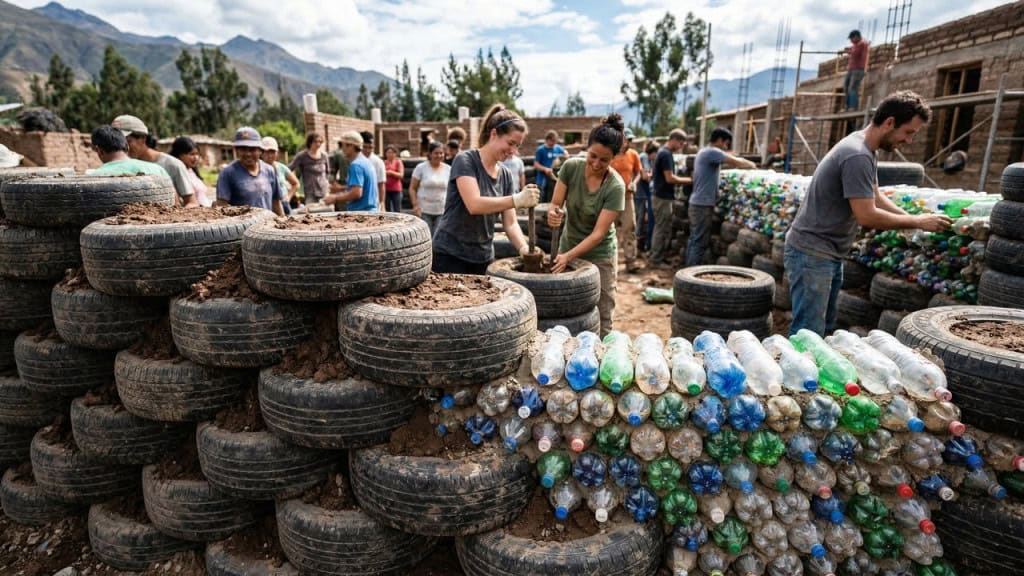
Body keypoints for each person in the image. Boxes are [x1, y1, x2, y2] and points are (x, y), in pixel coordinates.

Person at [785, 90, 951, 336]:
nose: (909, 141)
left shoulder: (865, 148)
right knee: (809, 332)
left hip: (825, 252)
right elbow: (867, 215)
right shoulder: (857, 155)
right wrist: (917, 221)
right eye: (908, 132)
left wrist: (914, 221)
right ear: (889, 123)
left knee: (823, 328)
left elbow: (875, 196)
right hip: (812, 253)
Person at [431, 104, 540, 274]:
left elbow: (510, 223)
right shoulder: (465, 160)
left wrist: (523, 248)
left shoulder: (505, 175)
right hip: (450, 255)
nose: (513, 151)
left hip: (483, 257)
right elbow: (474, 204)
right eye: (510, 143)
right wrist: (517, 199)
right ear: (494, 134)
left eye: (517, 146)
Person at [547, 115, 626, 337]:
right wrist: (553, 214)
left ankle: (602, 351)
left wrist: (567, 257)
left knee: (603, 311)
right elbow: (555, 203)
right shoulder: (571, 167)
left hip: (600, 255)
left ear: (613, 159)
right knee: (565, 306)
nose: (596, 164)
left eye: (604, 160)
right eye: (593, 156)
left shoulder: (615, 187)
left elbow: (598, 234)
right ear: (586, 148)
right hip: (568, 245)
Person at [686, 128, 758, 267]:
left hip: (697, 202)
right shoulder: (712, 152)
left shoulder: (703, 151)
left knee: (694, 239)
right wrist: (753, 166)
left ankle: (687, 269)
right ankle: (691, 273)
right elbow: (737, 162)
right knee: (699, 242)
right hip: (702, 205)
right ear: (719, 140)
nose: (726, 147)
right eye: (726, 143)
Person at [112, 114, 197, 207]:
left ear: (143, 138)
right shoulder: (120, 167)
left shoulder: (173, 165)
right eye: (119, 143)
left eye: (128, 141)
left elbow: (192, 202)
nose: (123, 147)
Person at [215, 126, 284, 216]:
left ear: (260, 151)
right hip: (241, 225)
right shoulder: (227, 173)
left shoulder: (269, 170)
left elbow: (276, 202)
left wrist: (283, 220)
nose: (248, 154)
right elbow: (221, 208)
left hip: (267, 223)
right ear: (237, 150)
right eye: (243, 149)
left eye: (252, 149)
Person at [649, 129, 692, 268]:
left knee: (661, 228)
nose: (681, 147)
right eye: (681, 143)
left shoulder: (663, 152)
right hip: (663, 198)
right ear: (674, 139)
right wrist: (690, 180)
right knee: (661, 229)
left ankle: (658, 257)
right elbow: (670, 178)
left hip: (660, 196)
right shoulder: (666, 154)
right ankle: (656, 260)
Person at [608, 127, 643, 272]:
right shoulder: (611, 154)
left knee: (630, 229)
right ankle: (610, 262)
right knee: (610, 230)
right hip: (611, 198)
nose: (628, 143)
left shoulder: (633, 154)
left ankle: (631, 262)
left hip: (628, 197)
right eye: (626, 140)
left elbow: (638, 172)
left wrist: (634, 182)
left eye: (630, 140)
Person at [321, 131, 378, 212]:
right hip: (369, 212)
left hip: (361, 213)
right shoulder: (365, 161)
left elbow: (356, 193)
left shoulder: (356, 165)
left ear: (351, 146)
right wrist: (341, 189)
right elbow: (360, 187)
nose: (341, 148)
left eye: (342, 145)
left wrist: (335, 198)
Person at [87, 125, 169, 177]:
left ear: (100, 151)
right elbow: (175, 199)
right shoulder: (158, 170)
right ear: (127, 147)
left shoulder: (94, 177)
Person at [409, 141, 450, 235]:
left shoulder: (448, 169)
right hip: (423, 210)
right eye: (436, 153)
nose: (439, 155)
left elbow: (451, 190)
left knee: (438, 238)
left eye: (441, 153)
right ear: (430, 154)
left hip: (442, 210)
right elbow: (412, 188)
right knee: (425, 236)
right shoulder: (421, 168)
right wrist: (415, 205)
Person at [289, 132, 335, 205]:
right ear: (310, 142)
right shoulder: (302, 156)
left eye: (320, 142)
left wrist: (328, 185)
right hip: (310, 192)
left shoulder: (324, 156)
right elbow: (289, 169)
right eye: (315, 142)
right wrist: (292, 182)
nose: (318, 144)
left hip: (324, 191)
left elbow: (327, 172)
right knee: (311, 210)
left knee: (327, 210)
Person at [168, 136, 213, 207]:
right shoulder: (177, 174)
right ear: (180, 155)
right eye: (192, 154)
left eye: (197, 154)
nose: (196, 157)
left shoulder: (192, 171)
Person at [260, 137, 300, 215]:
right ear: (261, 153)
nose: (270, 155)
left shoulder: (281, 167)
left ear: (277, 153)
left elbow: (296, 183)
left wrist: (288, 196)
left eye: (272, 152)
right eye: (267, 152)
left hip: (283, 203)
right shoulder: (257, 168)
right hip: (266, 205)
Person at [636, 140, 658, 252]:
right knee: (639, 219)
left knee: (643, 218)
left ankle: (641, 245)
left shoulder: (649, 159)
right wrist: (652, 175)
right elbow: (645, 176)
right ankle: (637, 247)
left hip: (645, 192)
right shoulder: (644, 157)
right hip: (640, 193)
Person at [534, 130, 568, 203]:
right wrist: (545, 169)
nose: (554, 143)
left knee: (552, 196)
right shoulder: (540, 150)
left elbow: (566, 154)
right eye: (552, 141)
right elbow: (536, 164)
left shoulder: (557, 148)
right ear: (547, 140)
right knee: (540, 197)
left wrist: (561, 158)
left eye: (555, 141)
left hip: (553, 177)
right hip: (542, 178)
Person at [843, 30, 870, 111]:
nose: (851, 41)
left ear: (856, 37)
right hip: (851, 70)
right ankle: (847, 107)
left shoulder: (862, 43)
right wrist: (848, 49)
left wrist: (849, 51)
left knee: (853, 88)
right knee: (846, 86)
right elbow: (853, 49)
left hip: (858, 70)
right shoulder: (856, 45)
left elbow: (855, 53)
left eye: (851, 39)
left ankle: (853, 107)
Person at [360, 131, 387, 207]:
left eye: (370, 148)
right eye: (365, 147)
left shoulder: (378, 162)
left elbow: (381, 184)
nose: (368, 150)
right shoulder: (354, 160)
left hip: (372, 204)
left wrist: (382, 203)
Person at [383, 145, 404, 212]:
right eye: (388, 152)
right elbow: (381, 174)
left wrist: (391, 173)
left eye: (392, 152)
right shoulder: (383, 163)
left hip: (396, 190)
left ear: (395, 153)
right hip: (386, 189)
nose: (390, 154)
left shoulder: (398, 162)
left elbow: (401, 175)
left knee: (397, 209)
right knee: (387, 210)